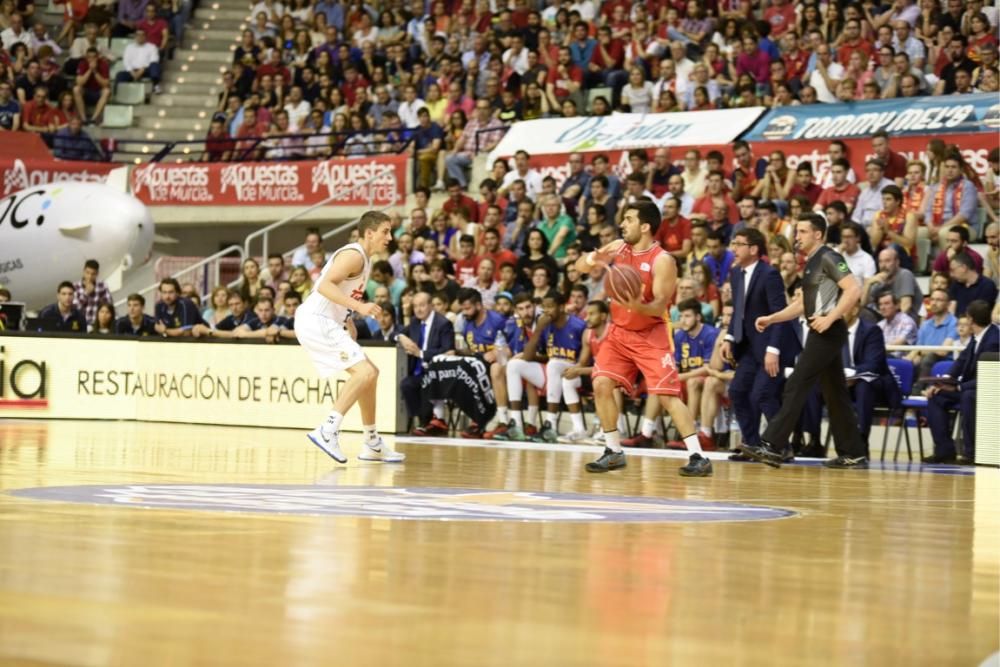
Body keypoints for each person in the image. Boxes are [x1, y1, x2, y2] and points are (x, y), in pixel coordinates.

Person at [574, 201, 712, 477]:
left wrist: (637, 305)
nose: (622, 224)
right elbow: (581, 268)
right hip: (619, 333)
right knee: (601, 383)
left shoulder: (663, 260)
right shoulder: (618, 248)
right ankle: (613, 451)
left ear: (645, 226)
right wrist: (596, 257)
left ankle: (698, 456)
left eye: (628, 219)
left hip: (652, 334)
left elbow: (660, 304)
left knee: (666, 396)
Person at [744, 214, 869, 469]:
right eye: (797, 231)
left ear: (818, 235)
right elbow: (802, 304)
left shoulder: (829, 257)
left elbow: (854, 289)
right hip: (821, 330)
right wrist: (772, 318)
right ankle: (853, 451)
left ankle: (773, 445)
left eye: (801, 231)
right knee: (835, 394)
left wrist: (831, 317)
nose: (796, 236)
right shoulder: (812, 262)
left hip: (828, 331)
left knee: (797, 383)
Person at [294, 210, 405, 464]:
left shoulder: (364, 259)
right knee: (364, 373)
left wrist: (347, 319)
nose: (389, 237)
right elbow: (323, 285)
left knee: (371, 374)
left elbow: (340, 291)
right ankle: (328, 429)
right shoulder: (354, 255)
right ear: (369, 233)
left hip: (328, 321)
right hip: (316, 320)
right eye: (385, 231)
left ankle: (372, 442)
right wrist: (359, 307)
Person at [721, 228, 792, 462]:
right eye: (733, 244)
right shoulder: (736, 273)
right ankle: (752, 445)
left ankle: (781, 446)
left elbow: (780, 315)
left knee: (762, 395)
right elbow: (739, 312)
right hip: (749, 346)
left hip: (771, 346)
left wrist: (774, 350)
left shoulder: (769, 274)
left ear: (753, 249)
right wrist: (729, 338)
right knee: (737, 392)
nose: (734, 249)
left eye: (739, 244)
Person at [923, 300, 999, 464]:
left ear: (971, 320)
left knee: (968, 396)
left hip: (988, 389)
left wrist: (957, 386)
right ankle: (944, 451)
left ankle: (971, 453)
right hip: (969, 387)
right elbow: (960, 362)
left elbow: (988, 378)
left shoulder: (994, 339)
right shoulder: (977, 337)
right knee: (936, 396)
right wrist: (941, 383)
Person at [399, 290, 455, 435]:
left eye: (422, 305)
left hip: (438, 373)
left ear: (431, 306)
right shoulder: (415, 322)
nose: (418, 309)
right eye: (415, 306)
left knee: (426, 383)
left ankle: (428, 423)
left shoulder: (444, 324)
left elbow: (448, 350)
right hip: (418, 371)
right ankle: (421, 421)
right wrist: (401, 337)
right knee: (406, 384)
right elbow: (396, 333)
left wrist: (421, 354)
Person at [72, 258, 113, 327]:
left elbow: (108, 306)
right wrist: (86, 293)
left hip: (96, 325)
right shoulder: (75, 287)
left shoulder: (102, 286)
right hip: (79, 324)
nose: (90, 276)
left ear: (97, 274)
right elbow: (73, 309)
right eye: (87, 273)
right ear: (84, 271)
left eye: (93, 274)